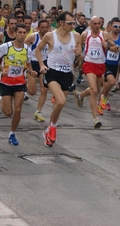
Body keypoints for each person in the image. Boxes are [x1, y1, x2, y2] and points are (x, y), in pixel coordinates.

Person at [35, 11, 82, 147]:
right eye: (70, 23)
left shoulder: (77, 36)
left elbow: (80, 57)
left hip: (67, 74)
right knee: (60, 101)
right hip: (52, 72)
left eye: (74, 23)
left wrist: (79, 56)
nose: (73, 25)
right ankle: (53, 128)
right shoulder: (50, 36)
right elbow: (38, 50)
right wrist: (42, 65)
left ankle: (48, 130)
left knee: (58, 105)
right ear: (61, 23)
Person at [0, 24, 37, 145]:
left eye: (24, 33)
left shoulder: (28, 49)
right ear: (15, 33)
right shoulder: (6, 46)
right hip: (6, 83)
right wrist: (2, 69)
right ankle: (0, 96)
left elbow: (28, 65)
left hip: (20, 83)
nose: (22, 35)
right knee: (8, 113)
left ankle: (12, 134)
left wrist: (32, 72)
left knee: (18, 110)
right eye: (20, 32)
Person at [73, 16, 114, 128]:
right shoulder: (85, 35)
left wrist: (108, 46)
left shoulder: (104, 35)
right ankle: (95, 119)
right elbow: (78, 45)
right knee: (94, 91)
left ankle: (80, 95)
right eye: (94, 24)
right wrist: (78, 53)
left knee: (96, 89)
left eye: (98, 24)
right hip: (89, 64)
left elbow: (115, 47)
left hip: (100, 65)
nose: (96, 26)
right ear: (90, 24)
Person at [24, 19, 50, 122]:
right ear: (38, 28)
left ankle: (38, 111)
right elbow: (23, 46)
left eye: (46, 27)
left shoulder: (50, 37)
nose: (44, 29)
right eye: (42, 27)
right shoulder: (33, 37)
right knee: (32, 92)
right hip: (33, 63)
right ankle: (25, 80)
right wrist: (26, 62)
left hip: (45, 64)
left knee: (44, 89)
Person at [100, 17, 120, 111]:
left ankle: (101, 102)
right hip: (105, 64)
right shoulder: (106, 36)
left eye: (119, 26)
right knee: (111, 82)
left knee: (108, 85)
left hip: (116, 65)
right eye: (115, 26)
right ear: (110, 26)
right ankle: (105, 98)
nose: (118, 28)